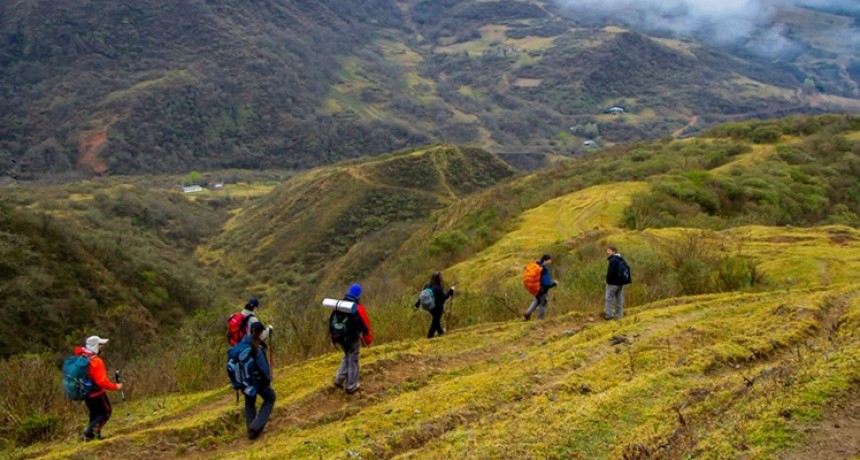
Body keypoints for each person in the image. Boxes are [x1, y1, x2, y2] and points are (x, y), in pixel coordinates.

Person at [229, 321, 276, 440]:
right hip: (257, 381)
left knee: (249, 402)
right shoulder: (257, 349)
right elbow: (263, 368)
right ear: (260, 333)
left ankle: (251, 431)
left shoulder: (244, 342)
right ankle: (256, 426)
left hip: (244, 381)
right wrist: (268, 379)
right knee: (270, 397)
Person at [74, 336, 123, 441]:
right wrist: (115, 386)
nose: (102, 347)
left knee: (95, 414)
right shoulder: (96, 361)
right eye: (100, 345)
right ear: (94, 346)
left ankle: (95, 437)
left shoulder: (81, 358)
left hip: (86, 393)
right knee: (105, 412)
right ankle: (88, 434)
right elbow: (102, 381)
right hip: (97, 394)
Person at [330, 283, 373, 395]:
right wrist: (368, 341)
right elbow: (365, 327)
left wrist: (333, 339)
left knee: (347, 356)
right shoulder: (358, 308)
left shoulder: (340, 305)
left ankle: (339, 380)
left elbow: (332, 321)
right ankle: (351, 386)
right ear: (359, 295)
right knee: (353, 361)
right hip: (352, 339)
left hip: (340, 338)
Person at [414, 272, 455, 338]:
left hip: (429, 308)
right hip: (437, 308)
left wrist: (417, 304)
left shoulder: (427, 285)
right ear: (439, 279)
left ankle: (440, 332)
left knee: (436, 319)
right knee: (435, 322)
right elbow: (444, 297)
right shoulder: (438, 288)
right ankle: (429, 336)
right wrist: (451, 291)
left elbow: (421, 296)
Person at [524, 254, 557, 321]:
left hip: (536, 288)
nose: (550, 262)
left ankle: (527, 313)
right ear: (545, 260)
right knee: (543, 303)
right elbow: (546, 283)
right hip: (542, 289)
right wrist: (553, 283)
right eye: (549, 260)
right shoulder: (544, 269)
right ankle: (540, 319)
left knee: (537, 300)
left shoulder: (537, 266)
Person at [605, 245, 629, 320]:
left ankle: (609, 315)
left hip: (612, 283)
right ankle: (619, 314)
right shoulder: (621, 258)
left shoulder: (613, 260)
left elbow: (610, 273)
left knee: (609, 298)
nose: (607, 252)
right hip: (620, 282)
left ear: (614, 251)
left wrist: (608, 281)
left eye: (609, 251)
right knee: (619, 298)